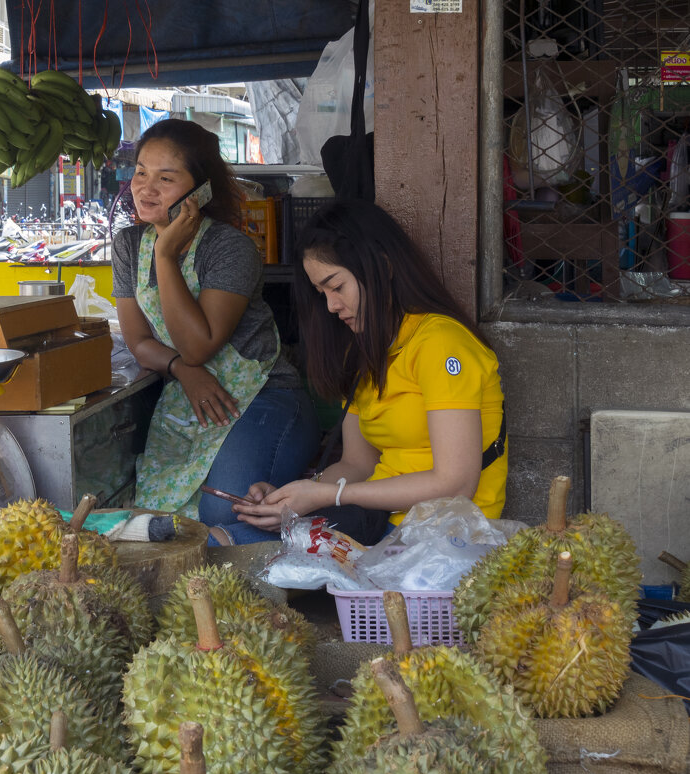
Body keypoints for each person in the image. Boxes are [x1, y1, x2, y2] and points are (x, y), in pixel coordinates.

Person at [231, 199, 508, 546]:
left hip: (444, 536)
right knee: (226, 538)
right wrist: (293, 498)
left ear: (382, 265)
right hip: (377, 522)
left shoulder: (441, 343)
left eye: (337, 286)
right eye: (322, 294)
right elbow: (356, 466)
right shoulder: (365, 349)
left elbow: (455, 484)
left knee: (234, 546)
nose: (331, 306)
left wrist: (329, 497)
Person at [111, 118, 320, 546]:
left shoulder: (229, 247)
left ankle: (313, 538)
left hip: (264, 396)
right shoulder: (129, 245)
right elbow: (138, 341)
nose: (145, 188)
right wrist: (183, 372)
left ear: (200, 191)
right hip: (191, 396)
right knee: (157, 517)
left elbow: (198, 345)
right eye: (141, 172)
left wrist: (167, 256)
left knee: (220, 509)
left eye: (166, 178)